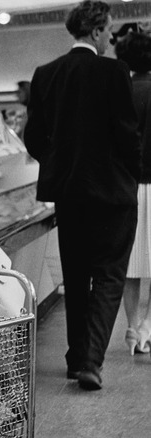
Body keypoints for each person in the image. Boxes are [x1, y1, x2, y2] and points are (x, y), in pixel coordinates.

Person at [24, 1, 141, 390]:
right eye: (108, 31)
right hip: (113, 192)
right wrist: (131, 170)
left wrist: (60, 164)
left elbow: (34, 137)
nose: (111, 37)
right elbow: (126, 133)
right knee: (109, 273)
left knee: (75, 275)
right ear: (95, 31)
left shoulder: (46, 74)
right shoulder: (113, 71)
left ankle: (76, 359)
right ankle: (91, 361)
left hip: (69, 193)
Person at [114, 31, 151, 356]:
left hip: (128, 187)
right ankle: (148, 327)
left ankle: (131, 326)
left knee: (131, 264)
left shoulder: (121, 92)